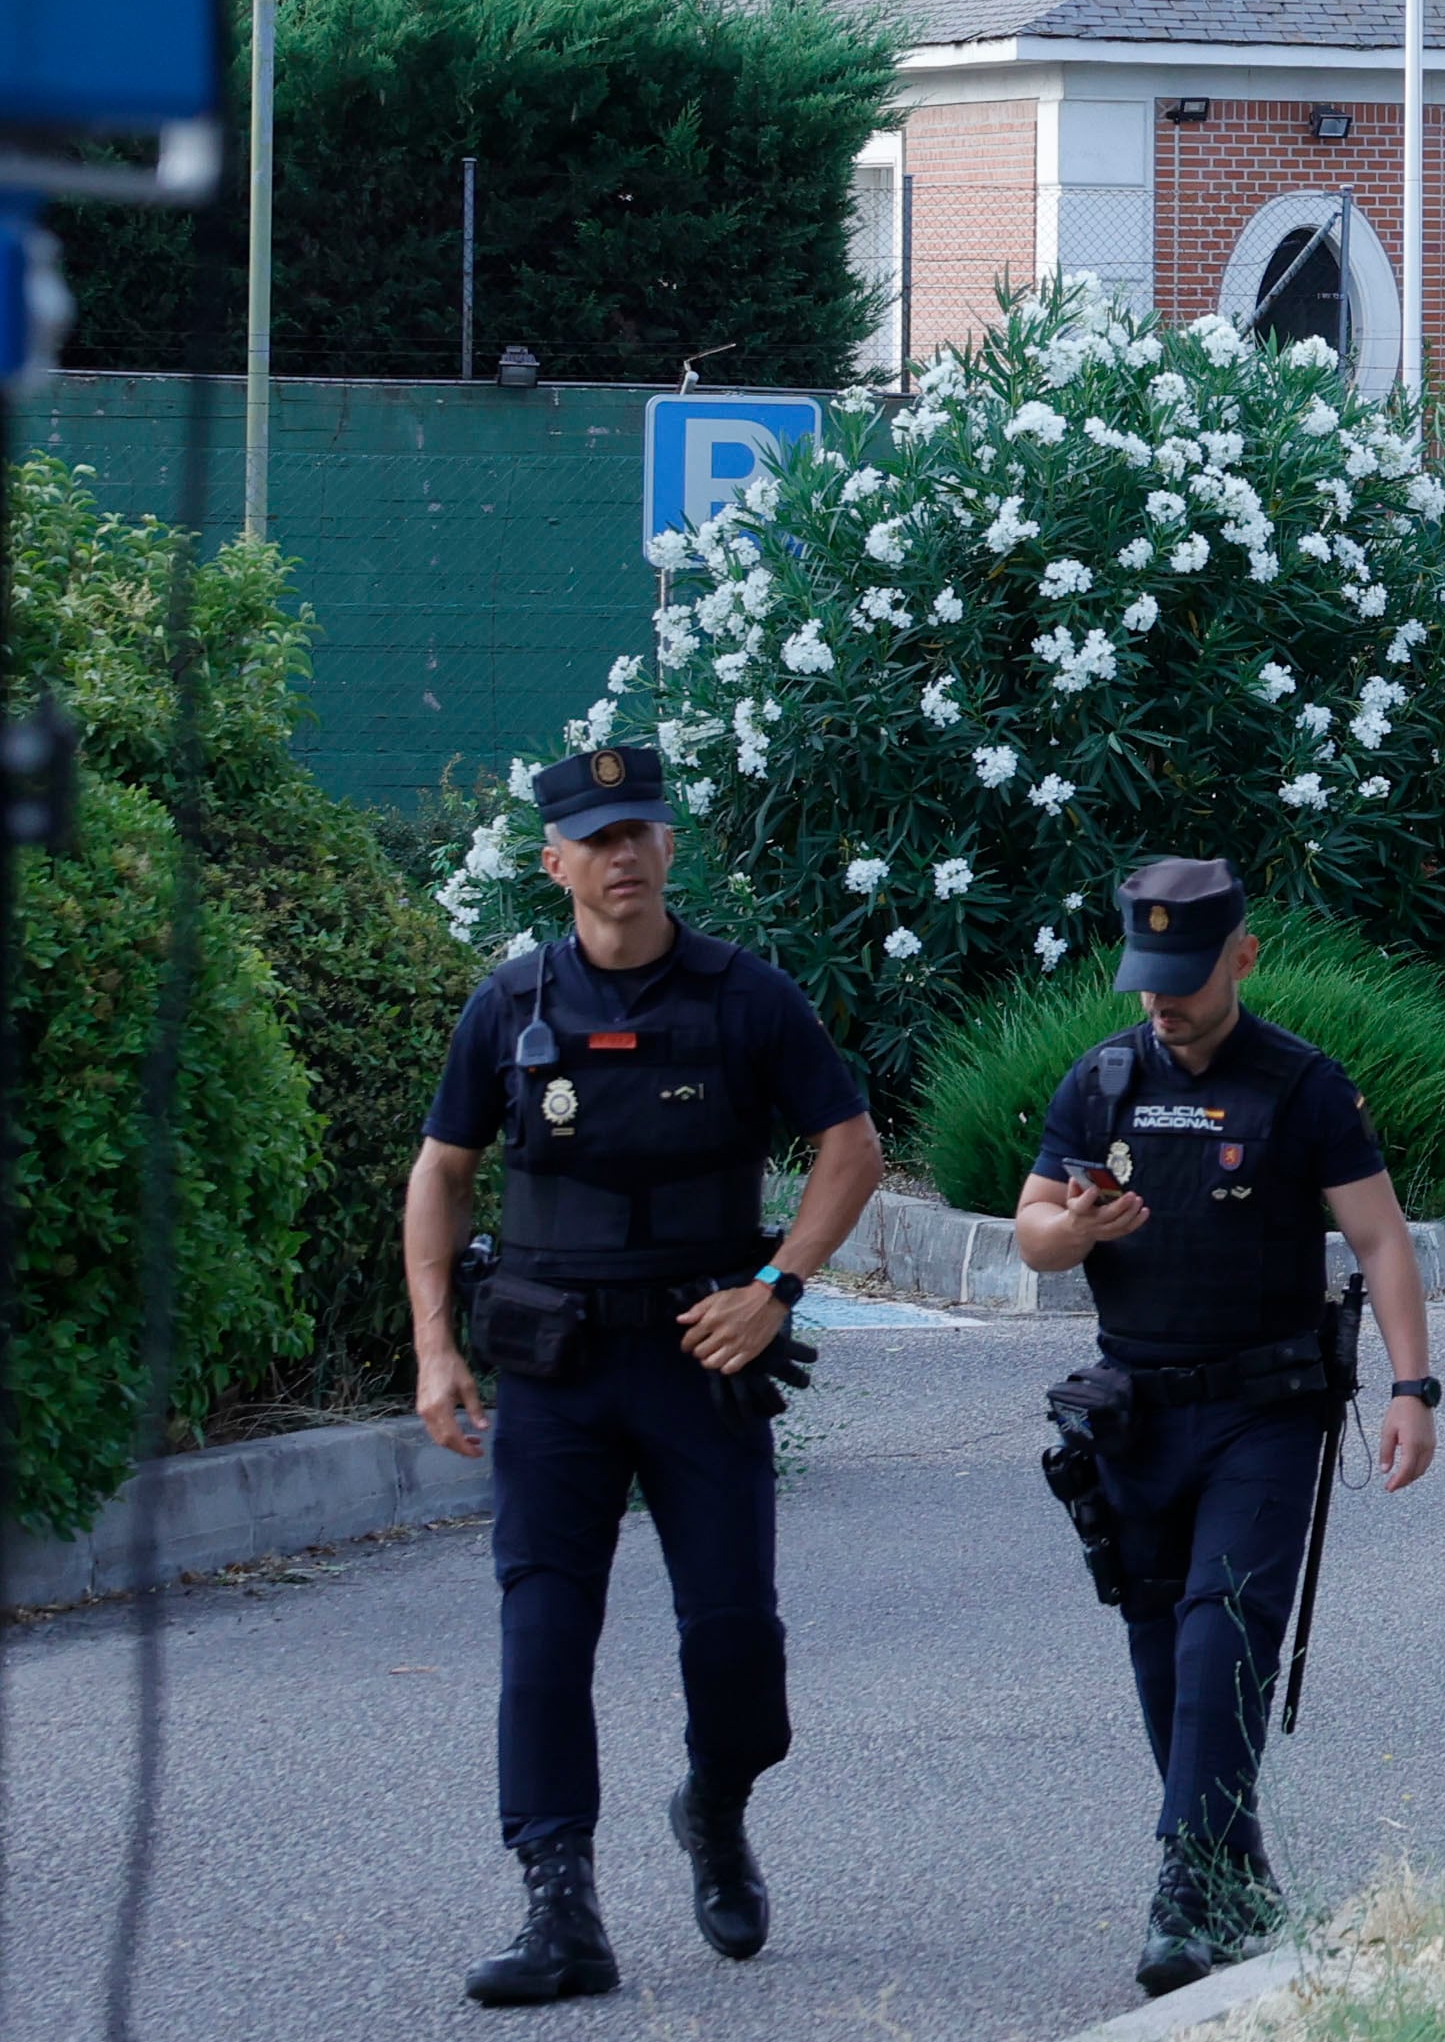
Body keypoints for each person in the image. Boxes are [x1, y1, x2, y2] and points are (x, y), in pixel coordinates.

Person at [403, 745, 883, 2007]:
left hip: (697, 1362)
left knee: (735, 1645)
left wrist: (775, 1289)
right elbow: (441, 1172)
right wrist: (434, 1345)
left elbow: (851, 1150)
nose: (623, 856)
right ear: (554, 861)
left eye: (641, 832)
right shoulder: (510, 1005)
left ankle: (714, 1808)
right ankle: (560, 1909)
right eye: (596, 839)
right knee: (542, 1635)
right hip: (554, 1368)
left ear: (668, 848)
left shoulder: (744, 999)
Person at [1012, 856, 1440, 1995]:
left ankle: (1185, 1879)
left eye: (1189, 976)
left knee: (1223, 1630)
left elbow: (1382, 1239)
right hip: (1132, 1410)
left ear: (1242, 958)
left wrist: (1413, 1388)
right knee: (1162, 1649)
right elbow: (1032, 1235)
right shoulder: (1100, 1084)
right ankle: (1237, 1866)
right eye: (1149, 977)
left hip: (1266, 1409)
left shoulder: (1300, 1087)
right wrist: (1082, 1229)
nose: (1166, 1001)